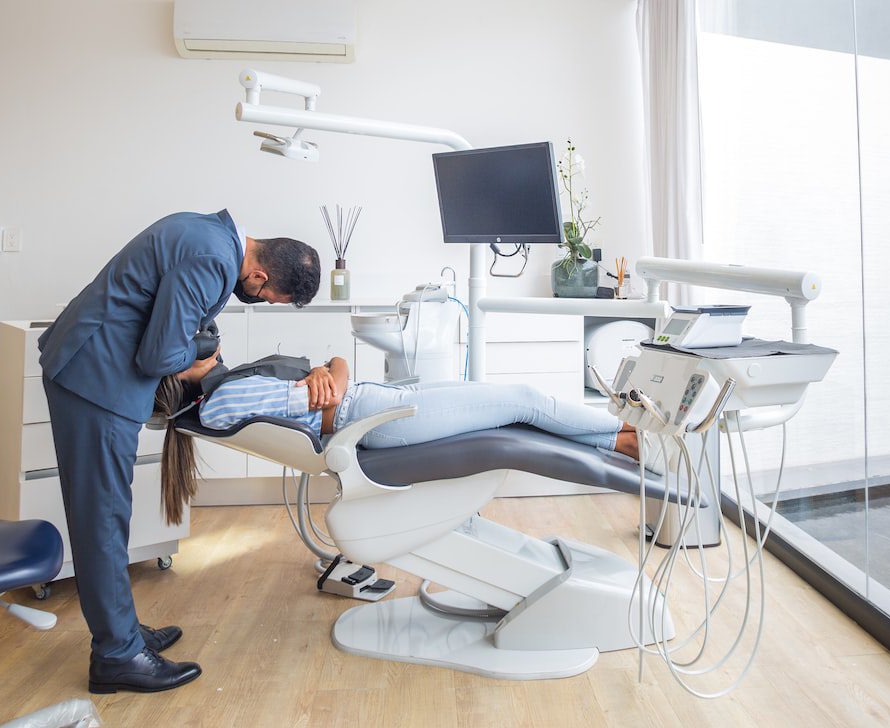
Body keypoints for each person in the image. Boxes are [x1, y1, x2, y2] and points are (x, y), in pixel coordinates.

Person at [37, 210, 321, 694]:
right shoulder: (213, 261)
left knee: (110, 516)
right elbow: (158, 356)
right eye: (269, 297)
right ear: (259, 276)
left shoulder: (208, 232)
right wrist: (197, 362)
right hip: (95, 381)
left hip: (93, 367)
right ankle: (117, 656)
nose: (261, 300)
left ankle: (121, 632)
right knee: (102, 519)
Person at [151, 356, 643, 518]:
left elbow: (334, 369)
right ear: (178, 370)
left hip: (372, 401)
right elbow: (326, 393)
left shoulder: (225, 386)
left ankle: (617, 439)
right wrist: (330, 371)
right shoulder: (223, 402)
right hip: (374, 418)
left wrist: (330, 369)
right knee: (521, 399)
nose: (205, 339)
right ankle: (627, 437)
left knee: (510, 404)